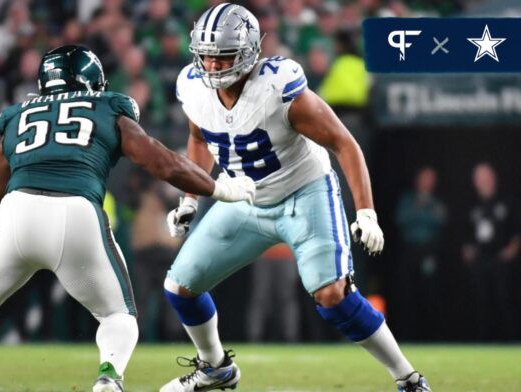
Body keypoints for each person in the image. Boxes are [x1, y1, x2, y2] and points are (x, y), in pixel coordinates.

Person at [0, 45, 255, 392]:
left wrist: (23, 227)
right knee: (117, 316)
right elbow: (162, 162)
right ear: (93, 81)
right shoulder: (107, 108)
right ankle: (108, 376)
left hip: (17, 212)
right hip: (76, 213)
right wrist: (220, 189)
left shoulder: (19, 115)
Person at [161, 4, 430, 392]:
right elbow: (200, 137)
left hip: (303, 193)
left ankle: (408, 379)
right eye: (206, 57)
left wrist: (366, 213)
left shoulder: (278, 87)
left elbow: (344, 143)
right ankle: (215, 367)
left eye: (223, 58)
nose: (214, 67)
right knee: (180, 287)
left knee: (332, 295)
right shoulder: (192, 87)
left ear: (250, 51)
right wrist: (190, 198)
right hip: (245, 199)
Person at [461, 163, 519, 341]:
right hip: (480, 260)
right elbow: (465, 233)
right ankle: (483, 340)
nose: (484, 180)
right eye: (480, 177)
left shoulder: (507, 201)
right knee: (481, 301)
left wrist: (512, 249)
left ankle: (511, 340)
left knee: (505, 299)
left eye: (487, 176)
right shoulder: (471, 205)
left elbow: (516, 229)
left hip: (501, 259)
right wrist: (467, 249)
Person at [394, 167, 446, 340]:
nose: (427, 182)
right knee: (408, 294)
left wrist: (422, 214)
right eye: (424, 178)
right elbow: (402, 219)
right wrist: (422, 212)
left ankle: (431, 335)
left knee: (430, 294)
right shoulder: (408, 200)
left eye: (430, 179)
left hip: (429, 252)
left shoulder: (437, 202)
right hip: (410, 251)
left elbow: (440, 220)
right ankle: (408, 335)